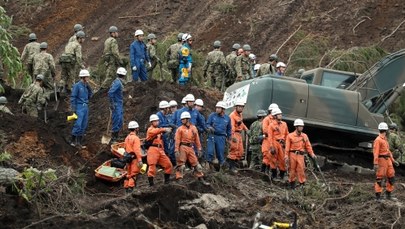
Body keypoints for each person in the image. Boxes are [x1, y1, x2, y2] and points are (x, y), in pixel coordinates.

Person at [175, 111, 209, 184]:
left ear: (188, 119)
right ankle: (179, 179)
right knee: (181, 165)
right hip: (182, 147)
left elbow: (197, 139)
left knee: (196, 164)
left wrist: (199, 149)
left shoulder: (193, 128)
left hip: (190, 147)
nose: (182, 120)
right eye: (182, 119)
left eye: (184, 119)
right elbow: (177, 140)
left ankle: (200, 178)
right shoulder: (180, 129)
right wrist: (176, 150)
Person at [285, 119, 316, 189]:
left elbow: (308, 146)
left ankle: (302, 184)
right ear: (296, 127)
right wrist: (286, 156)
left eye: (302, 126)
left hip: (300, 155)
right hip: (292, 154)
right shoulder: (290, 136)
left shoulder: (304, 136)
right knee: (292, 169)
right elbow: (287, 147)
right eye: (300, 126)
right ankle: (291, 184)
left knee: (301, 169)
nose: (301, 128)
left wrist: (312, 154)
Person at [373, 122, 399, 200]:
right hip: (381, 160)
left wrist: (393, 160)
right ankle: (378, 197)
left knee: (391, 177)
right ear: (385, 130)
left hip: (388, 160)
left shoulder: (385, 139)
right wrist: (376, 163)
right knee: (379, 178)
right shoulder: (378, 140)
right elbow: (376, 152)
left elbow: (388, 151)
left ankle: (388, 194)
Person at [146, 114, 172, 186]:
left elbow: (161, 141)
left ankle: (167, 182)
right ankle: (151, 184)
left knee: (168, 165)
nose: (157, 122)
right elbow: (155, 131)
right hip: (153, 149)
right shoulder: (150, 130)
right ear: (151, 122)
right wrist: (164, 129)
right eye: (155, 121)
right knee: (152, 166)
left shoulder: (159, 131)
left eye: (157, 121)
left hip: (160, 149)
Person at [70, 69, 93, 149]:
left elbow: (91, 94)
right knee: (78, 124)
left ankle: (79, 143)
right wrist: (73, 108)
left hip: (85, 107)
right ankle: (73, 141)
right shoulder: (77, 86)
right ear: (83, 77)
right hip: (79, 107)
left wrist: (89, 89)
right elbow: (73, 97)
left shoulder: (86, 86)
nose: (88, 78)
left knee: (84, 125)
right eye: (87, 77)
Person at [206, 101, 232, 170]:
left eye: (219, 108)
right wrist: (209, 127)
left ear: (223, 109)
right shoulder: (212, 115)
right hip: (212, 135)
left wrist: (229, 138)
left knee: (220, 153)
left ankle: (221, 169)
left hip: (221, 137)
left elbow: (229, 129)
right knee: (210, 152)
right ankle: (208, 167)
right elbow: (207, 124)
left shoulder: (227, 118)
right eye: (216, 108)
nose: (217, 109)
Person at [266, 108, 289, 181]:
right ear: (275, 116)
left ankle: (282, 175)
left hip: (281, 143)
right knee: (273, 159)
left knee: (282, 159)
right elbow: (270, 137)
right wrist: (271, 147)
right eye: (279, 114)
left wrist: (286, 143)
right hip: (275, 142)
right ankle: (274, 175)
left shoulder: (284, 124)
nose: (280, 115)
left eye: (281, 114)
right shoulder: (271, 125)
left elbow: (287, 134)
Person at [227, 99, 248, 173]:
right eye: (239, 107)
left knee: (241, 151)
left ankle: (233, 164)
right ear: (236, 107)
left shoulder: (240, 115)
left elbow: (242, 123)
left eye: (242, 107)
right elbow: (231, 126)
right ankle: (231, 167)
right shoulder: (232, 115)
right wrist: (232, 137)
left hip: (239, 134)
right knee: (234, 149)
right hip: (234, 133)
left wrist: (246, 129)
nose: (241, 108)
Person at [123, 121, 143, 193]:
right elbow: (137, 150)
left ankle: (126, 188)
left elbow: (125, 148)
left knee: (128, 174)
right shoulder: (136, 138)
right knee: (133, 174)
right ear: (136, 128)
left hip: (127, 158)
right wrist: (140, 160)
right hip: (134, 158)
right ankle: (130, 190)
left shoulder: (127, 138)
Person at [108, 67, 127, 143]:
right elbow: (110, 92)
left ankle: (117, 135)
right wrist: (112, 103)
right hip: (116, 104)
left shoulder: (118, 82)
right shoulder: (117, 83)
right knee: (117, 119)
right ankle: (113, 138)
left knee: (120, 120)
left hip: (119, 103)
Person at [261, 103, 279, 173]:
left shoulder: (277, 120)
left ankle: (269, 173)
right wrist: (273, 131)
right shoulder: (267, 119)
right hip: (267, 140)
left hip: (274, 141)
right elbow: (265, 130)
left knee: (273, 158)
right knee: (266, 156)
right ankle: (262, 173)